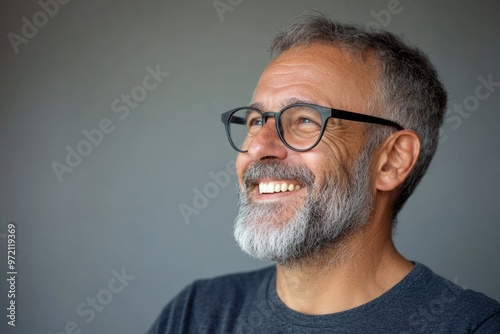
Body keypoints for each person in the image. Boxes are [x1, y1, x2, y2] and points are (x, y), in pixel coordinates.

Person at [148, 12, 500, 333]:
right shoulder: (196, 314)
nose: (258, 147)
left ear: (392, 160)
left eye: (304, 119)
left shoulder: (473, 327)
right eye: (256, 121)